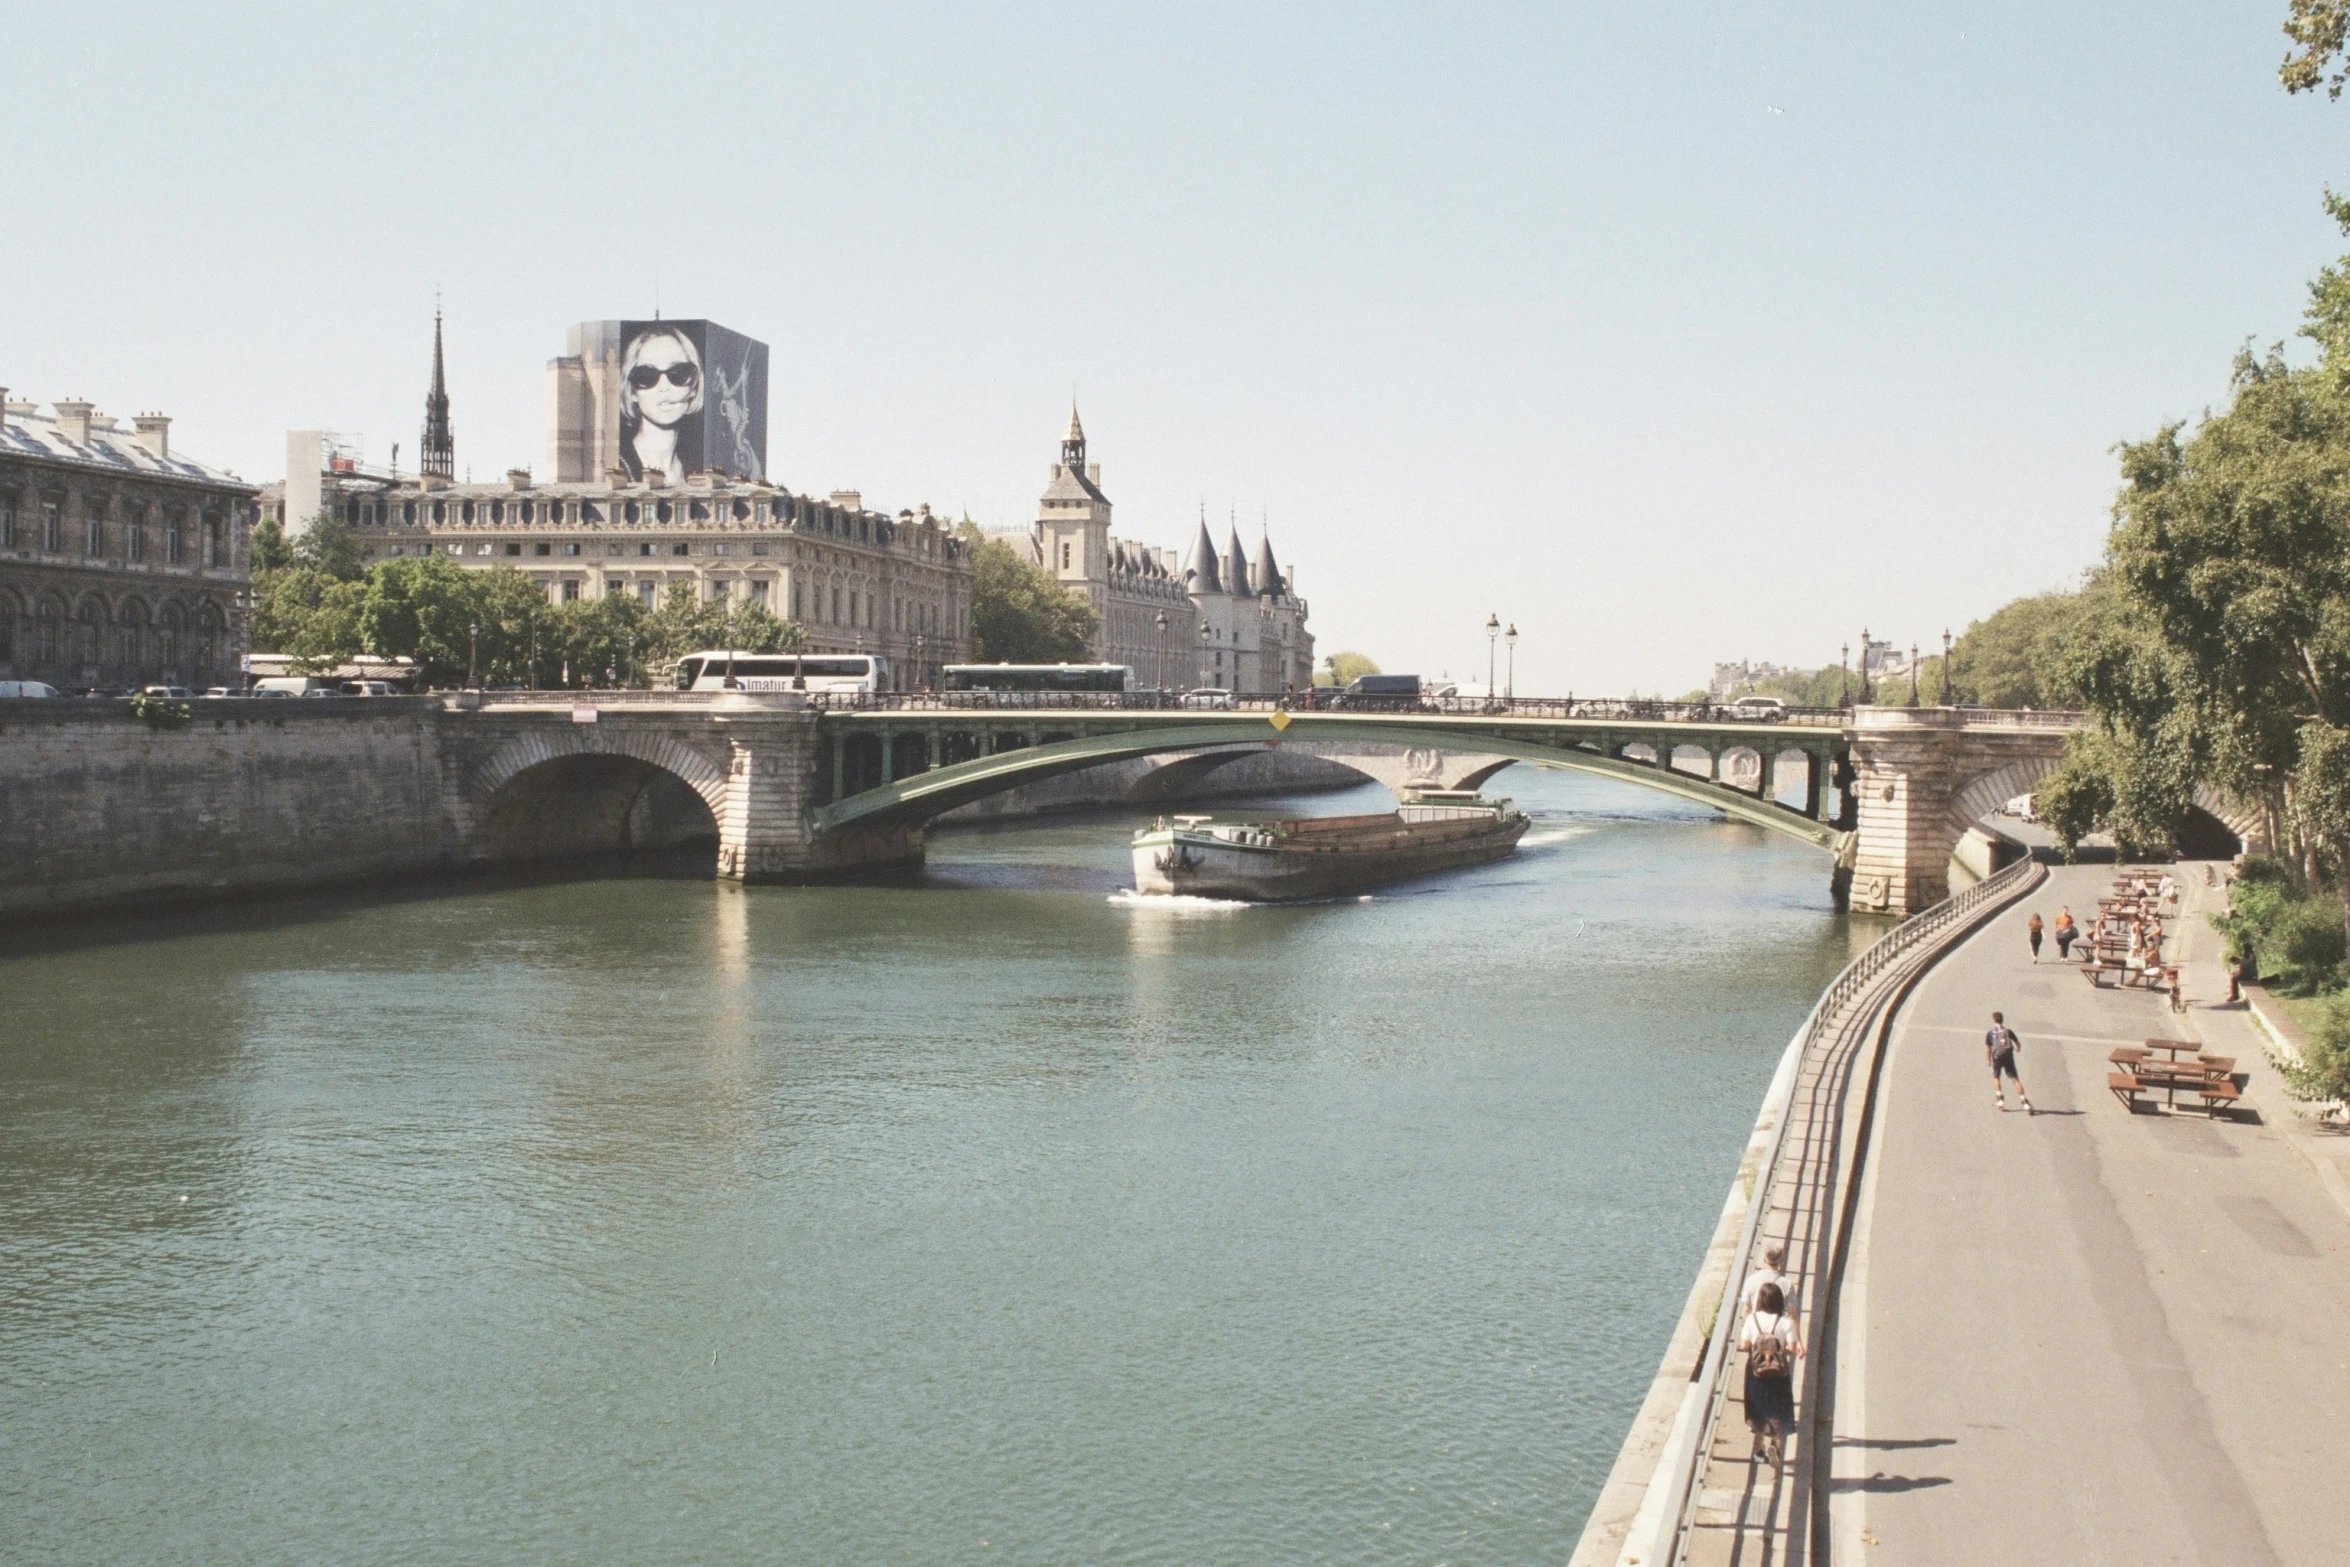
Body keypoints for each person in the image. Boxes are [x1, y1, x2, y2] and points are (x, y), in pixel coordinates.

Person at [618, 324, 706, 486]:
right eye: (647, 376)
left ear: (694, 386)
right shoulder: (617, 468)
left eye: (679, 373)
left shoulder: (699, 473)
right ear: (631, 391)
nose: (664, 386)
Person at [1738, 1280, 1802, 1465]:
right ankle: (1775, 1443)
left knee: (1757, 1408)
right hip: (1778, 1374)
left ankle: (1759, 1449)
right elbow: (1791, 1347)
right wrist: (1777, 1351)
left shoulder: (1752, 1320)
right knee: (1777, 1409)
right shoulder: (1785, 1322)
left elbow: (1744, 1345)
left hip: (1756, 1373)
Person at [1986, 1011, 2034, 1113]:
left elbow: (1988, 1048)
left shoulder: (1990, 1033)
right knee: (2015, 1079)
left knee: (1996, 1077)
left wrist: (1988, 1060)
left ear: (1994, 1020)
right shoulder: (2008, 1031)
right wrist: (2017, 1048)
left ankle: (2000, 1100)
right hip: (2008, 1057)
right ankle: (2024, 1102)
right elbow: (2017, 1044)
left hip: (1996, 1057)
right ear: (2002, 1020)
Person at [1739, 1241, 1796, 1317]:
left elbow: (1746, 1310)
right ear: (1781, 1261)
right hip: (1777, 1326)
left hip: (1756, 1326)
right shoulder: (1787, 1284)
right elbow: (1792, 1314)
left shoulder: (1751, 1280)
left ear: (1764, 1260)